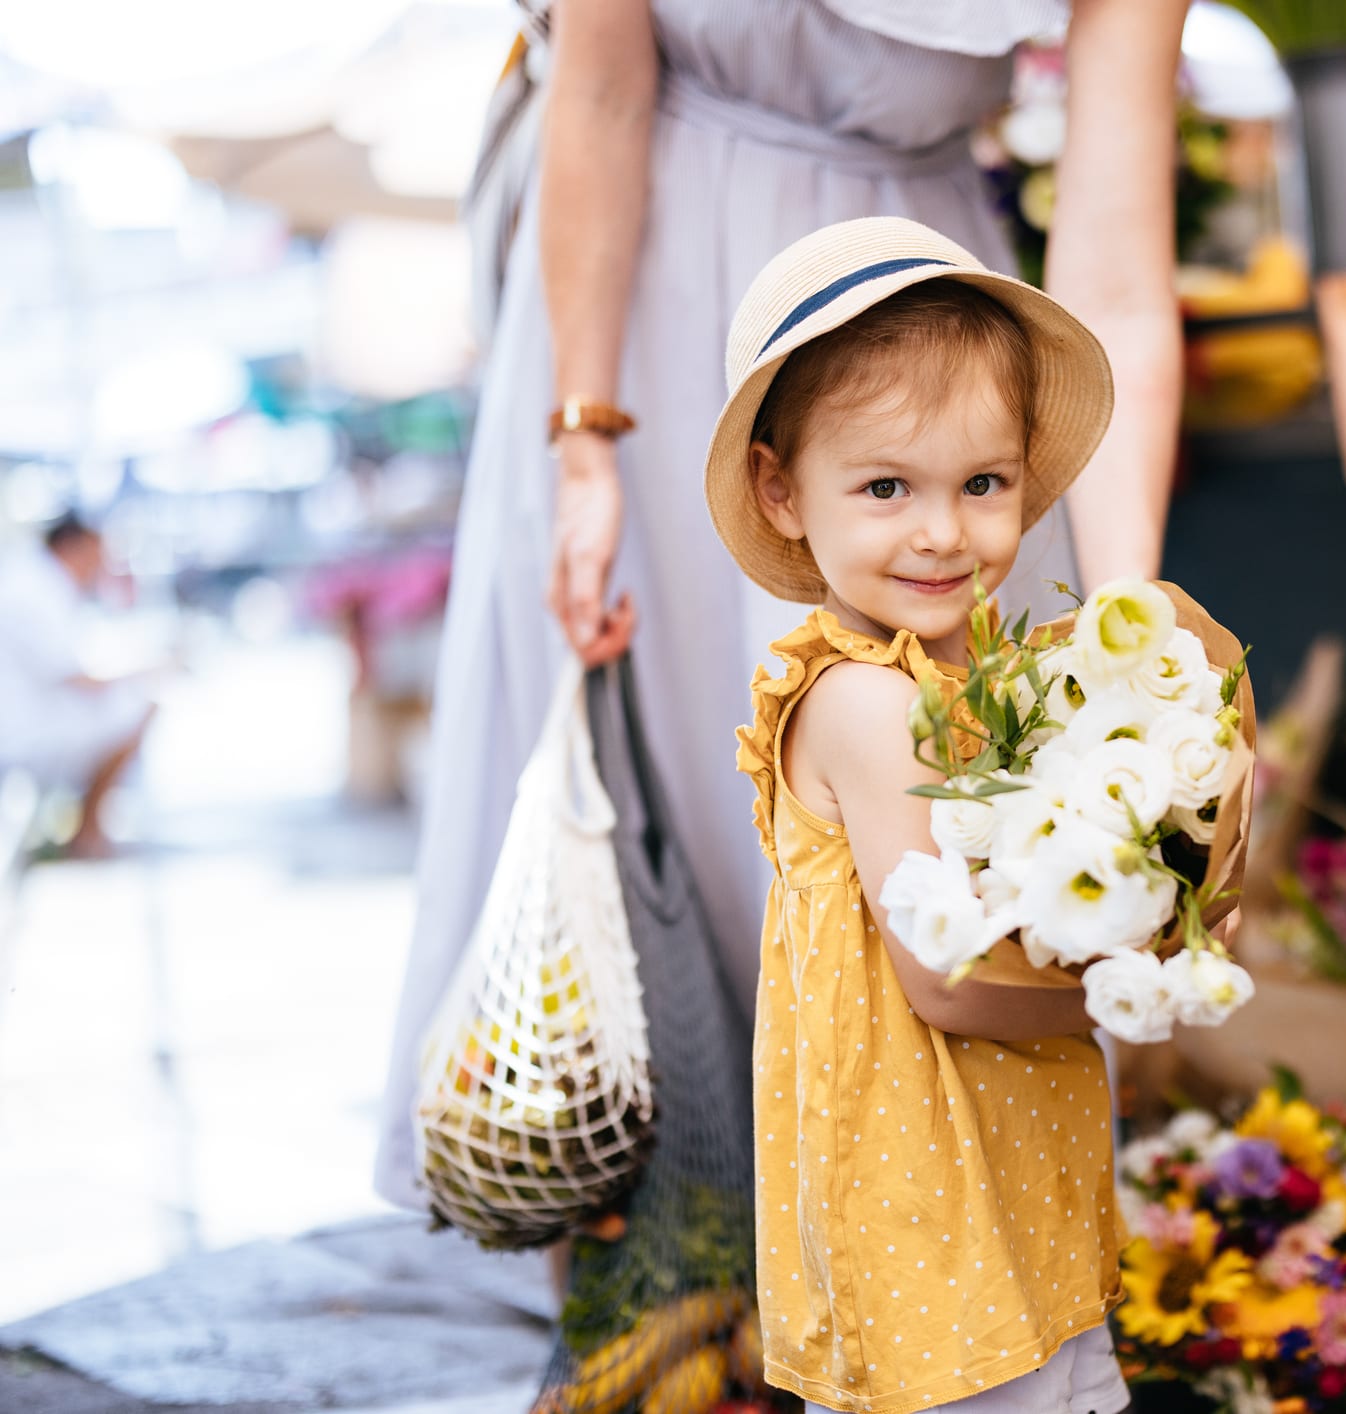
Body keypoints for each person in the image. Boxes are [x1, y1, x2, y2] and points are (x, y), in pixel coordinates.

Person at [373, 0, 1190, 1213]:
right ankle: (675, 1262)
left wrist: (1124, 616)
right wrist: (584, 442)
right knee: (677, 789)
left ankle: (938, 1243)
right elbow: (597, 92)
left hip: (931, 321)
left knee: (949, 811)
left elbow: (1116, 272)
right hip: (654, 303)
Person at [715, 220, 1125, 1412]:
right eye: (886, 486)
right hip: (927, 1207)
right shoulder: (864, 701)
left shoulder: (979, 672)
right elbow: (943, 976)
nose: (942, 530)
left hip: (1000, 1171)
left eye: (980, 483)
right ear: (781, 490)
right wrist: (1126, 975)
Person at [0, 515, 156, 859]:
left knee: (133, 706)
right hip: (22, 731)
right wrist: (142, 672)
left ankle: (87, 829)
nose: (100, 564)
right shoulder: (34, 589)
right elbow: (77, 678)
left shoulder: (40, 581)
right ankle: (87, 833)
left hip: (32, 715)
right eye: (97, 553)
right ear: (74, 545)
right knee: (139, 709)